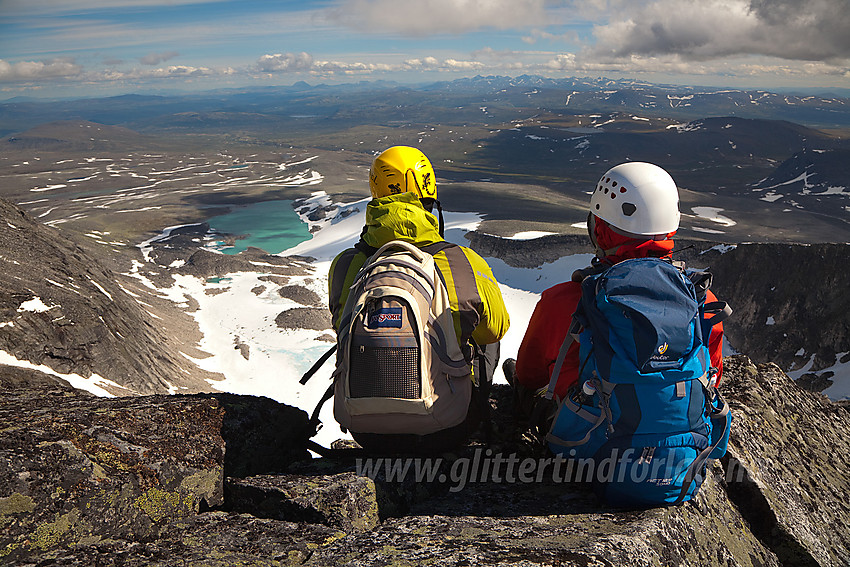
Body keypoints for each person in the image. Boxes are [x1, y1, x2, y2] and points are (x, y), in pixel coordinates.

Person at [509, 161, 726, 418]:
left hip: (587, 444)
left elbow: (528, 375)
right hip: (682, 448)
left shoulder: (563, 302)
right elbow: (713, 376)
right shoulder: (700, 302)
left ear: (600, 231)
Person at [328, 145, 510, 451]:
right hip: (446, 428)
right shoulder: (462, 262)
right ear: (430, 190)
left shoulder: (345, 264)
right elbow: (496, 329)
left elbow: (340, 325)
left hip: (365, 430)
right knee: (484, 331)